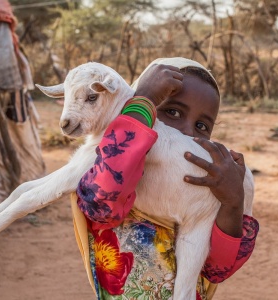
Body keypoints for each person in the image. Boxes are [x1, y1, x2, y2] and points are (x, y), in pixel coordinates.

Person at [70, 57, 259, 300]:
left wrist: (232, 202)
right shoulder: (108, 165)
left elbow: (217, 269)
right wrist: (143, 100)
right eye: (172, 112)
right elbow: (101, 204)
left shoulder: (199, 192)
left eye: (202, 126)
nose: (187, 132)